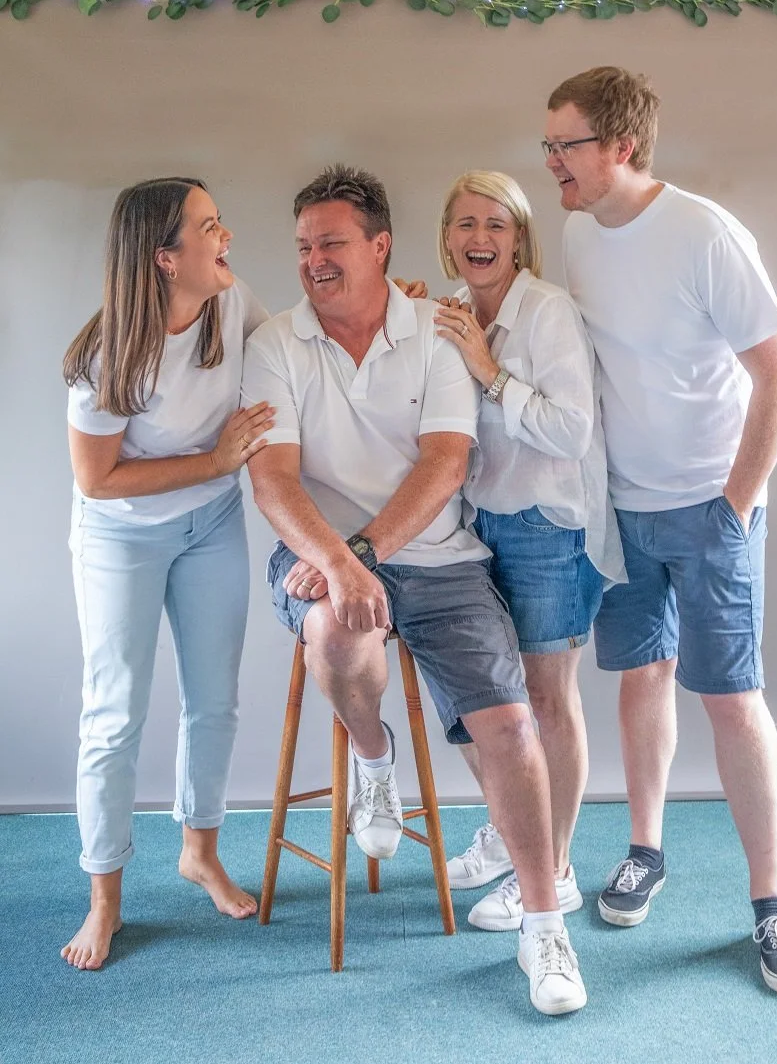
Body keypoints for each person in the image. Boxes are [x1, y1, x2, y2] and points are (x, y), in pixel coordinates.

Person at [242, 164, 587, 1015]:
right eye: (302, 245)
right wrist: (338, 561)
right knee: (337, 631)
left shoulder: (436, 328)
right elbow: (275, 481)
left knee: (510, 722)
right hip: (315, 553)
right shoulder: (275, 343)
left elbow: (446, 463)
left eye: (331, 242)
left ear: (380, 245)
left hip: (436, 557)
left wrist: (358, 550)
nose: (313, 259)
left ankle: (544, 924)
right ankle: (373, 755)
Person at [544, 66, 777, 993]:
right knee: (638, 679)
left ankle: (769, 898)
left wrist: (735, 505)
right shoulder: (578, 235)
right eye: (546, 147)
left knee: (732, 697)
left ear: (619, 146)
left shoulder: (704, 233)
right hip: (622, 509)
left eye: (565, 145)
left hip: (709, 508)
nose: (551, 164)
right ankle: (644, 850)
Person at [61, 177, 274, 971]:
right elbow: (98, 480)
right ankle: (105, 899)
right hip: (123, 535)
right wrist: (214, 460)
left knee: (213, 698)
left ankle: (199, 851)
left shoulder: (228, 300)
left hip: (211, 520)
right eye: (209, 227)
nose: (226, 237)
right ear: (163, 258)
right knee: (114, 715)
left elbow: (291, 343)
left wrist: (386, 304)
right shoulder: (105, 356)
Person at [418, 170, 624, 932]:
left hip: (547, 526)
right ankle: (512, 837)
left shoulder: (546, 312)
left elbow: (571, 431)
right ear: (446, 237)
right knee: (489, 702)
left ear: (519, 239)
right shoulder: (451, 313)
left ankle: (556, 869)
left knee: (544, 702)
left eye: (495, 226)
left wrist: (488, 371)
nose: (479, 239)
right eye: (465, 224)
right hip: (478, 526)